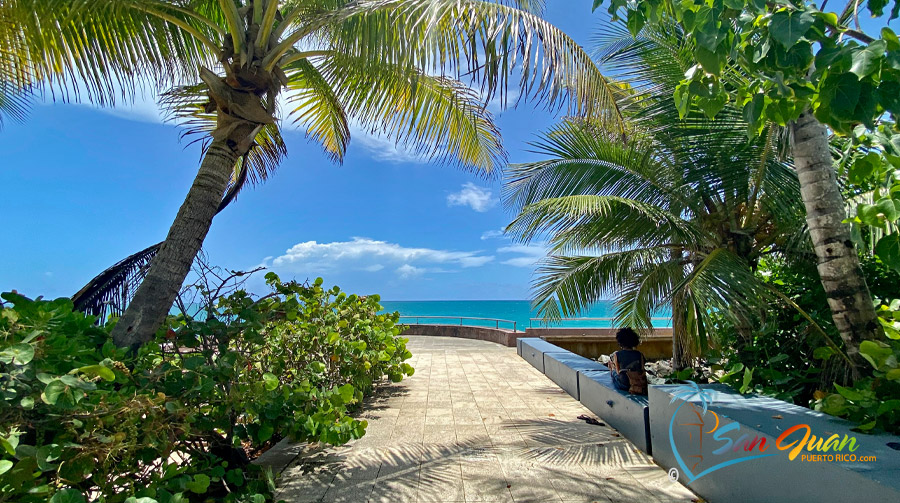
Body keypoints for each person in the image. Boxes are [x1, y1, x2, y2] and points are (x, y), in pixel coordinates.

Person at [609, 327, 648, 395]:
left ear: (620, 342)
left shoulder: (617, 354)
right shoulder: (639, 354)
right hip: (638, 383)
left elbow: (618, 372)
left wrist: (612, 369)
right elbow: (642, 369)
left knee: (614, 372)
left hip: (624, 384)